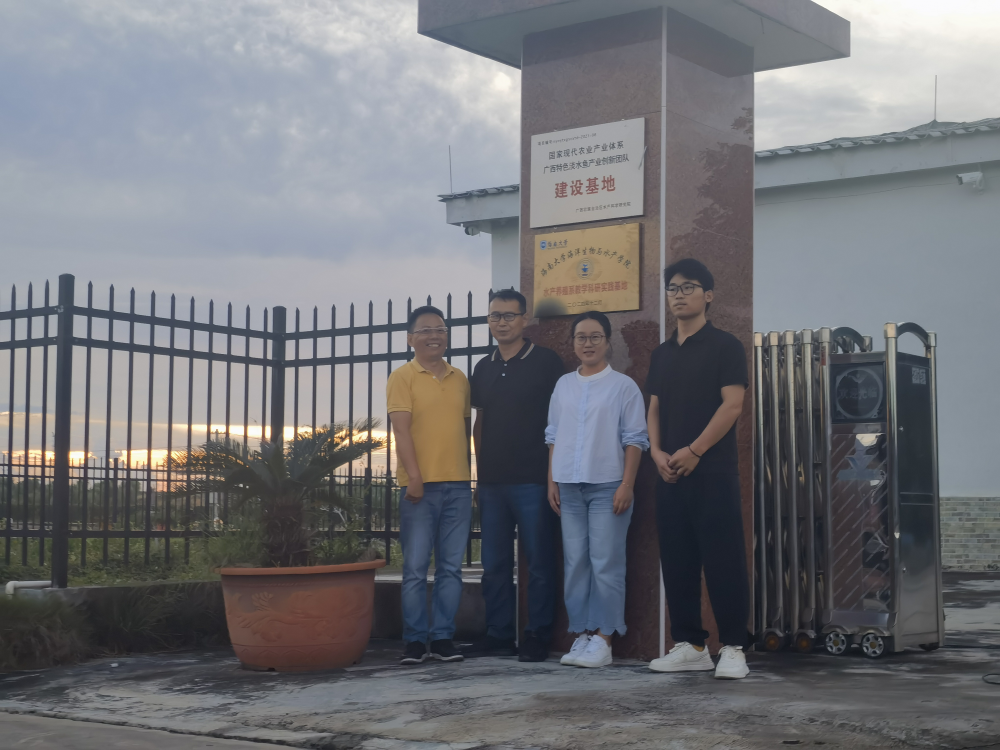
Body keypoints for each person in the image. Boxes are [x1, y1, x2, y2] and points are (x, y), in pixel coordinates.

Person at [645, 258, 751, 680]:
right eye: (672, 288)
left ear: (708, 295)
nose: (679, 294)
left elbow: (733, 405)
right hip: (669, 472)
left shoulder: (726, 346)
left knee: (724, 559)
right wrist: (656, 452)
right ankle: (690, 645)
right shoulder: (661, 354)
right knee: (678, 561)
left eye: (688, 287)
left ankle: (734, 647)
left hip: (713, 471)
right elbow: (654, 407)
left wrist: (695, 450)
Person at [465, 289, 564, 662]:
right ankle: (499, 634)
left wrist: (553, 475)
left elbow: (560, 420)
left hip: (534, 480)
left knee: (539, 563)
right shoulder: (483, 367)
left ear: (525, 319)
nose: (501, 322)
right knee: (494, 565)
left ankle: (538, 635)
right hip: (492, 483)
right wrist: (480, 475)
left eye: (509, 315)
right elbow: (480, 423)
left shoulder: (546, 362)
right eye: (495, 316)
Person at [545, 311, 648, 669]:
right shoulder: (563, 385)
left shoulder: (623, 386)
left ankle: (604, 638)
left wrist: (627, 485)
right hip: (568, 487)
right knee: (576, 563)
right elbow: (553, 435)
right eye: (581, 337)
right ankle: (582, 633)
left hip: (608, 486)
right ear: (573, 342)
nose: (587, 343)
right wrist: (552, 480)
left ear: (607, 341)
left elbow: (635, 439)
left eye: (595, 337)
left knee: (606, 562)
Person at [387, 305, 472, 665]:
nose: (434, 336)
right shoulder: (402, 377)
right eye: (425, 330)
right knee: (416, 568)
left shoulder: (460, 378)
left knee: (451, 568)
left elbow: (464, 429)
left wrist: (468, 474)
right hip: (419, 488)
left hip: (458, 486)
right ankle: (414, 640)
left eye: (440, 329)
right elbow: (401, 431)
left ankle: (442, 639)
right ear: (411, 339)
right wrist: (415, 478)